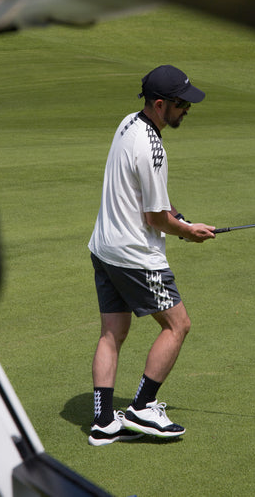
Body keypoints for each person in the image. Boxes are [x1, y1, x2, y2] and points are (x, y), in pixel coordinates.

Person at [87, 65, 215, 446]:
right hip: (135, 255)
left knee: (112, 332)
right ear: (160, 104)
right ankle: (143, 406)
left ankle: (103, 421)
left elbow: (155, 198)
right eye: (180, 104)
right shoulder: (153, 148)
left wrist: (179, 217)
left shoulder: (129, 123)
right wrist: (187, 231)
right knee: (178, 325)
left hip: (104, 248)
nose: (186, 110)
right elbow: (154, 217)